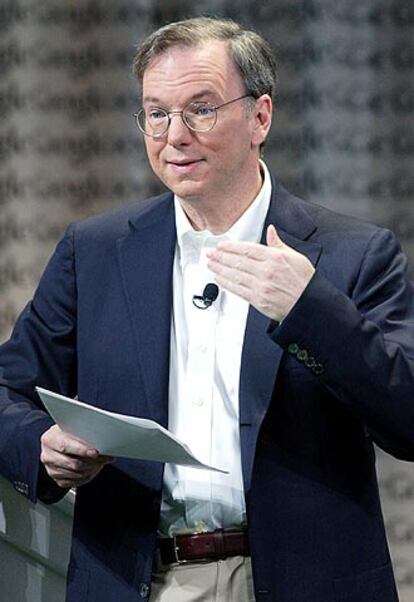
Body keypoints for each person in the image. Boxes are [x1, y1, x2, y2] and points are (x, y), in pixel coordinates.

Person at [0, 16, 413, 602]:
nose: (174, 137)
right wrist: (40, 445)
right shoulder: (93, 251)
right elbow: (6, 387)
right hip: (135, 579)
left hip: (304, 582)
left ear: (260, 117)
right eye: (156, 113)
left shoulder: (353, 255)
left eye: (201, 109)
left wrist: (311, 310)